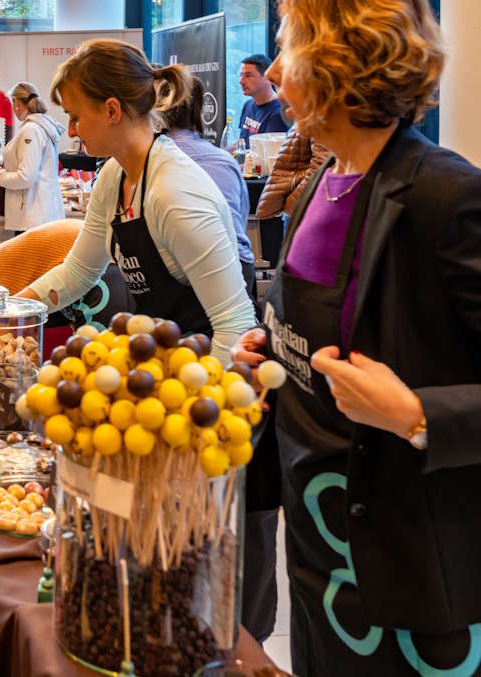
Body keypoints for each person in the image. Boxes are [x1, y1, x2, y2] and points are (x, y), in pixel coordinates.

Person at [230, 1, 481, 674]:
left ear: (343, 63)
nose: (277, 70)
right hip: (318, 549)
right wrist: (267, 347)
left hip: (409, 567)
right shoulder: (321, 181)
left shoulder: (446, 198)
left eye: (293, 48)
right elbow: (323, 322)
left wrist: (416, 414)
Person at [19, 39, 256, 364]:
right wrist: (8, 311)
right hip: (160, 370)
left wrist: (202, 400)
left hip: (204, 381)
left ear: (112, 111)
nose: (71, 132)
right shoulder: (114, 175)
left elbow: (235, 325)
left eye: (76, 117)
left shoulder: (176, 194)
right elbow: (78, 272)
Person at [162, 75, 256, 299]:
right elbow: (239, 221)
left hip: (183, 275)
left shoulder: (154, 161)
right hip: (237, 267)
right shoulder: (224, 160)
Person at [0, 82, 65, 233]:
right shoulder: (37, 128)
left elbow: (26, 177)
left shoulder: (31, 130)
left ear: (17, 103)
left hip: (31, 218)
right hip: (36, 216)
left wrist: (0, 176)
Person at [255, 127, 329, 220]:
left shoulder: (324, 118)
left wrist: (292, 203)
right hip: (302, 205)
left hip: (305, 208)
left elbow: (321, 168)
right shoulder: (316, 117)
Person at [237, 54, 288, 146]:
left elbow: (269, 154)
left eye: (248, 76)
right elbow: (241, 143)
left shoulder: (278, 112)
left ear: (267, 78)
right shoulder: (247, 105)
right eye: (241, 75)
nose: (241, 81)